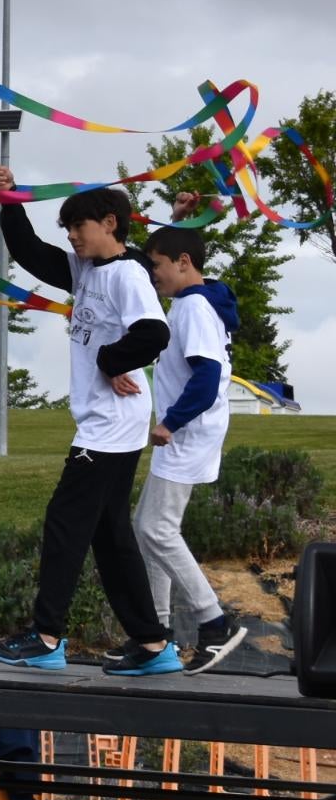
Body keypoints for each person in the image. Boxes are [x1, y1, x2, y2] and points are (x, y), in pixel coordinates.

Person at [0, 164, 177, 674]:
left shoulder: (128, 273)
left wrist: (112, 362)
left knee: (65, 522)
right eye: (67, 229)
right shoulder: (87, 269)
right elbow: (28, 252)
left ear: (110, 222)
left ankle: (46, 638)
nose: (70, 236)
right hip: (106, 420)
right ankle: (153, 645)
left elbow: (155, 333)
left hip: (110, 425)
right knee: (109, 534)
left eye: (78, 226)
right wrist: (9, 197)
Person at [138, 218, 249, 673]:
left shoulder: (194, 308)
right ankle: (155, 635)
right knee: (146, 527)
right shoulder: (194, 301)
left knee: (155, 529)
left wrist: (170, 422)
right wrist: (178, 218)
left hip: (188, 433)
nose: (153, 275)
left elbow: (206, 379)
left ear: (184, 263)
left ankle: (214, 622)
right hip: (188, 433)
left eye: (157, 266)